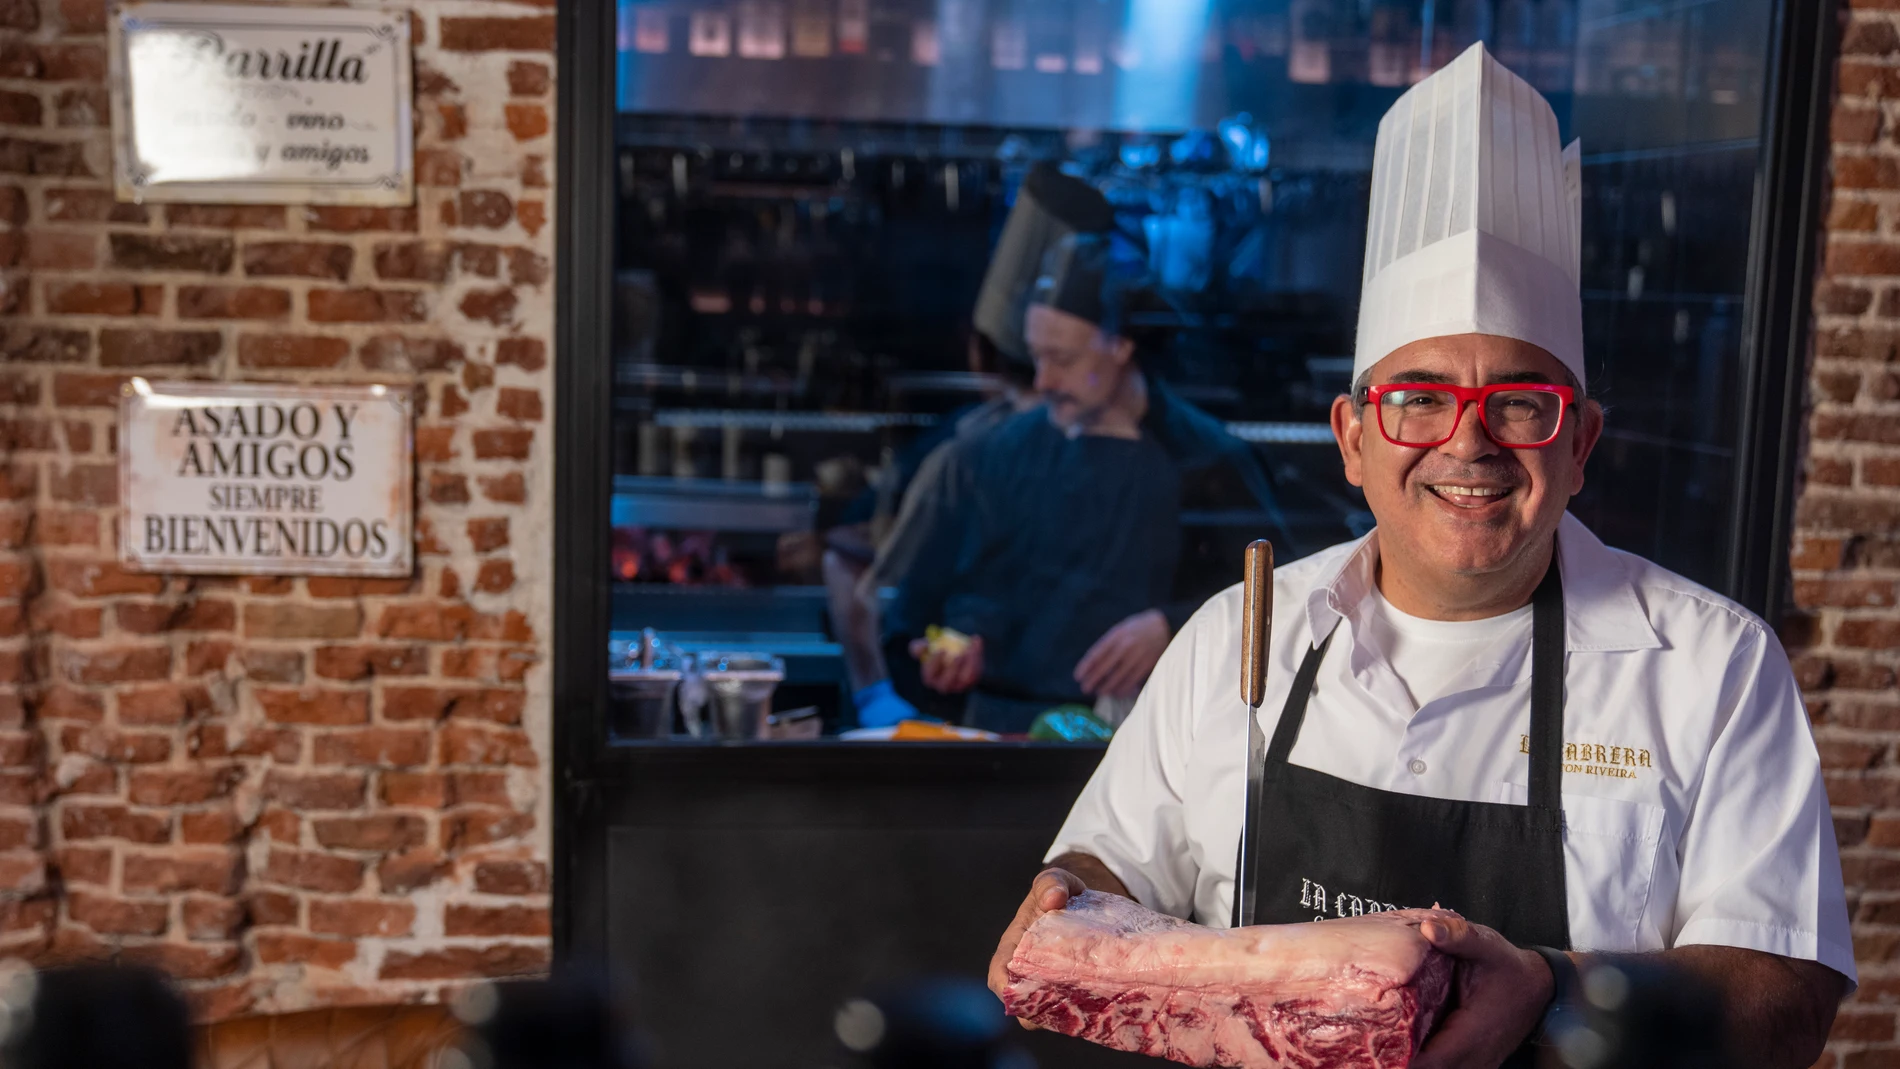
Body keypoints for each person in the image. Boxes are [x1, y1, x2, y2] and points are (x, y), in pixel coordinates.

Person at [986, 43, 1850, 1069]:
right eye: (1420, 398)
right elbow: (1110, 862)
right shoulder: (1237, 637)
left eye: (1520, 403)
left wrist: (1548, 984)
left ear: (1578, 443)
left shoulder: (1713, 667)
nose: (1467, 442)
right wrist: (1070, 901)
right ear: (1353, 437)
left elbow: (1784, 996)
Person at [899, 233, 1292, 733]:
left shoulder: (1206, 459)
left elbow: (1286, 592)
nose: (1042, 381)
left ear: (1122, 344)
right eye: (1036, 357)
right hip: (997, 732)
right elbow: (937, 598)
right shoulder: (999, 454)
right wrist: (955, 642)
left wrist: (1172, 626)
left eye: (1062, 360)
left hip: (1147, 734)